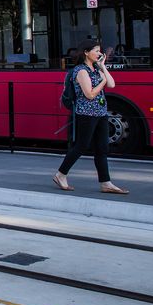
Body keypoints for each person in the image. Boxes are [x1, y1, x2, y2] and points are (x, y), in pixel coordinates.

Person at [53, 39, 128, 194]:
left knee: (102, 148)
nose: (99, 53)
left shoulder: (95, 69)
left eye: (100, 51)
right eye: (96, 50)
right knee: (81, 146)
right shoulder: (81, 71)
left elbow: (112, 84)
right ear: (86, 52)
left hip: (101, 113)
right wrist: (103, 81)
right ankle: (60, 174)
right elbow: (90, 94)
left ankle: (105, 182)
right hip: (86, 114)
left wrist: (103, 68)